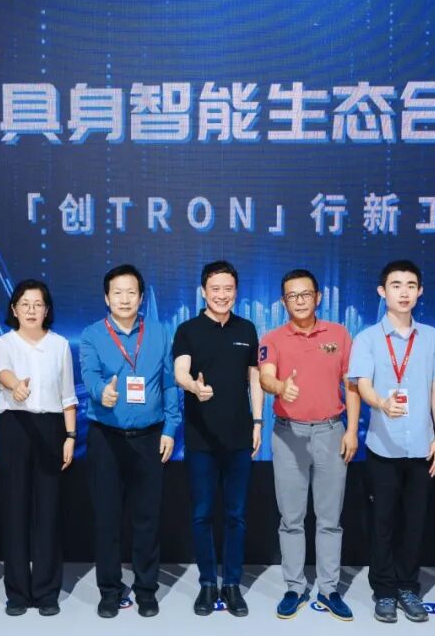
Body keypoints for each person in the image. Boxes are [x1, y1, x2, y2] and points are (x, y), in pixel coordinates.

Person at [347, 259, 435, 624]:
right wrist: (381, 404)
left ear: (420, 292)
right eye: (396, 285)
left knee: (415, 523)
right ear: (382, 291)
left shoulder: (433, 338)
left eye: (410, 286)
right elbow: (362, 384)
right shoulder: (368, 338)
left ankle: (408, 587)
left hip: (422, 446)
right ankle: (385, 590)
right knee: (383, 522)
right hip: (383, 447)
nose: (404, 292)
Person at [80, 264, 181, 618]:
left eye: (131, 293)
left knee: (147, 517)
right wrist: (101, 393)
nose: (124, 299)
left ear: (140, 298)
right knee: (107, 519)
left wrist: (170, 428)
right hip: (106, 438)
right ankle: (109, 590)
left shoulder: (160, 332)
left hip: (150, 438)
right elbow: (90, 374)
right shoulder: (92, 334)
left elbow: (170, 384)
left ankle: (146, 589)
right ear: (107, 298)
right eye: (117, 293)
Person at [259, 269, 359, 621]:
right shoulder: (272, 338)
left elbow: (351, 384)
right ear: (283, 301)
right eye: (292, 296)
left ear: (318, 297)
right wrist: (280, 387)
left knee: (330, 518)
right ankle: (294, 586)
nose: (299, 301)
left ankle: (329, 589)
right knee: (291, 518)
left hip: (332, 432)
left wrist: (351, 431)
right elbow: (266, 377)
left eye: (305, 294)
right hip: (289, 435)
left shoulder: (339, 334)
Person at [173, 260, 263, 617]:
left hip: (239, 435)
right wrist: (194, 387)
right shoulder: (188, 329)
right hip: (201, 438)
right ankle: (208, 583)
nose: (222, 295)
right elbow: (180, 371)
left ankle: (233, 584)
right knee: (202, 514)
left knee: (236, 515)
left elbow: (254, 378)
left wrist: (258, 422)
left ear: (236, 291)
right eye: (215, 289)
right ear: (203, 292)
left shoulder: (247, 328)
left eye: (228, 289)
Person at [0, 279, 78, 616]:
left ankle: (45, 591)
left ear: (46, 310)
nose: (31, 310)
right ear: (14, 309)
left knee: (48, 511)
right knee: (14, 510)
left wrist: (70, 436)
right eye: (24, 304)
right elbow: (2, 372)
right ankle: (16, 592)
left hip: (51, 427)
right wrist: (16, 386)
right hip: (14, 426)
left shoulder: (60, 345)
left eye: (37, 304)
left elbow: (68, 395)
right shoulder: (3, 342)